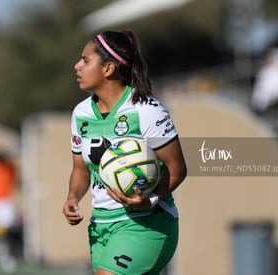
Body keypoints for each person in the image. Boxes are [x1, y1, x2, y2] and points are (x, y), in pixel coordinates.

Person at [62, 30, 187, 275]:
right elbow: (80, 169)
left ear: (108, 68)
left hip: (146, 224)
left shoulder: (146, 110)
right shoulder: (81, 113)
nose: (77, 66)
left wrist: (149, 200)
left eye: (85, 60)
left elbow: (177, 169)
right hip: (101, 226)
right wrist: (72, 197)